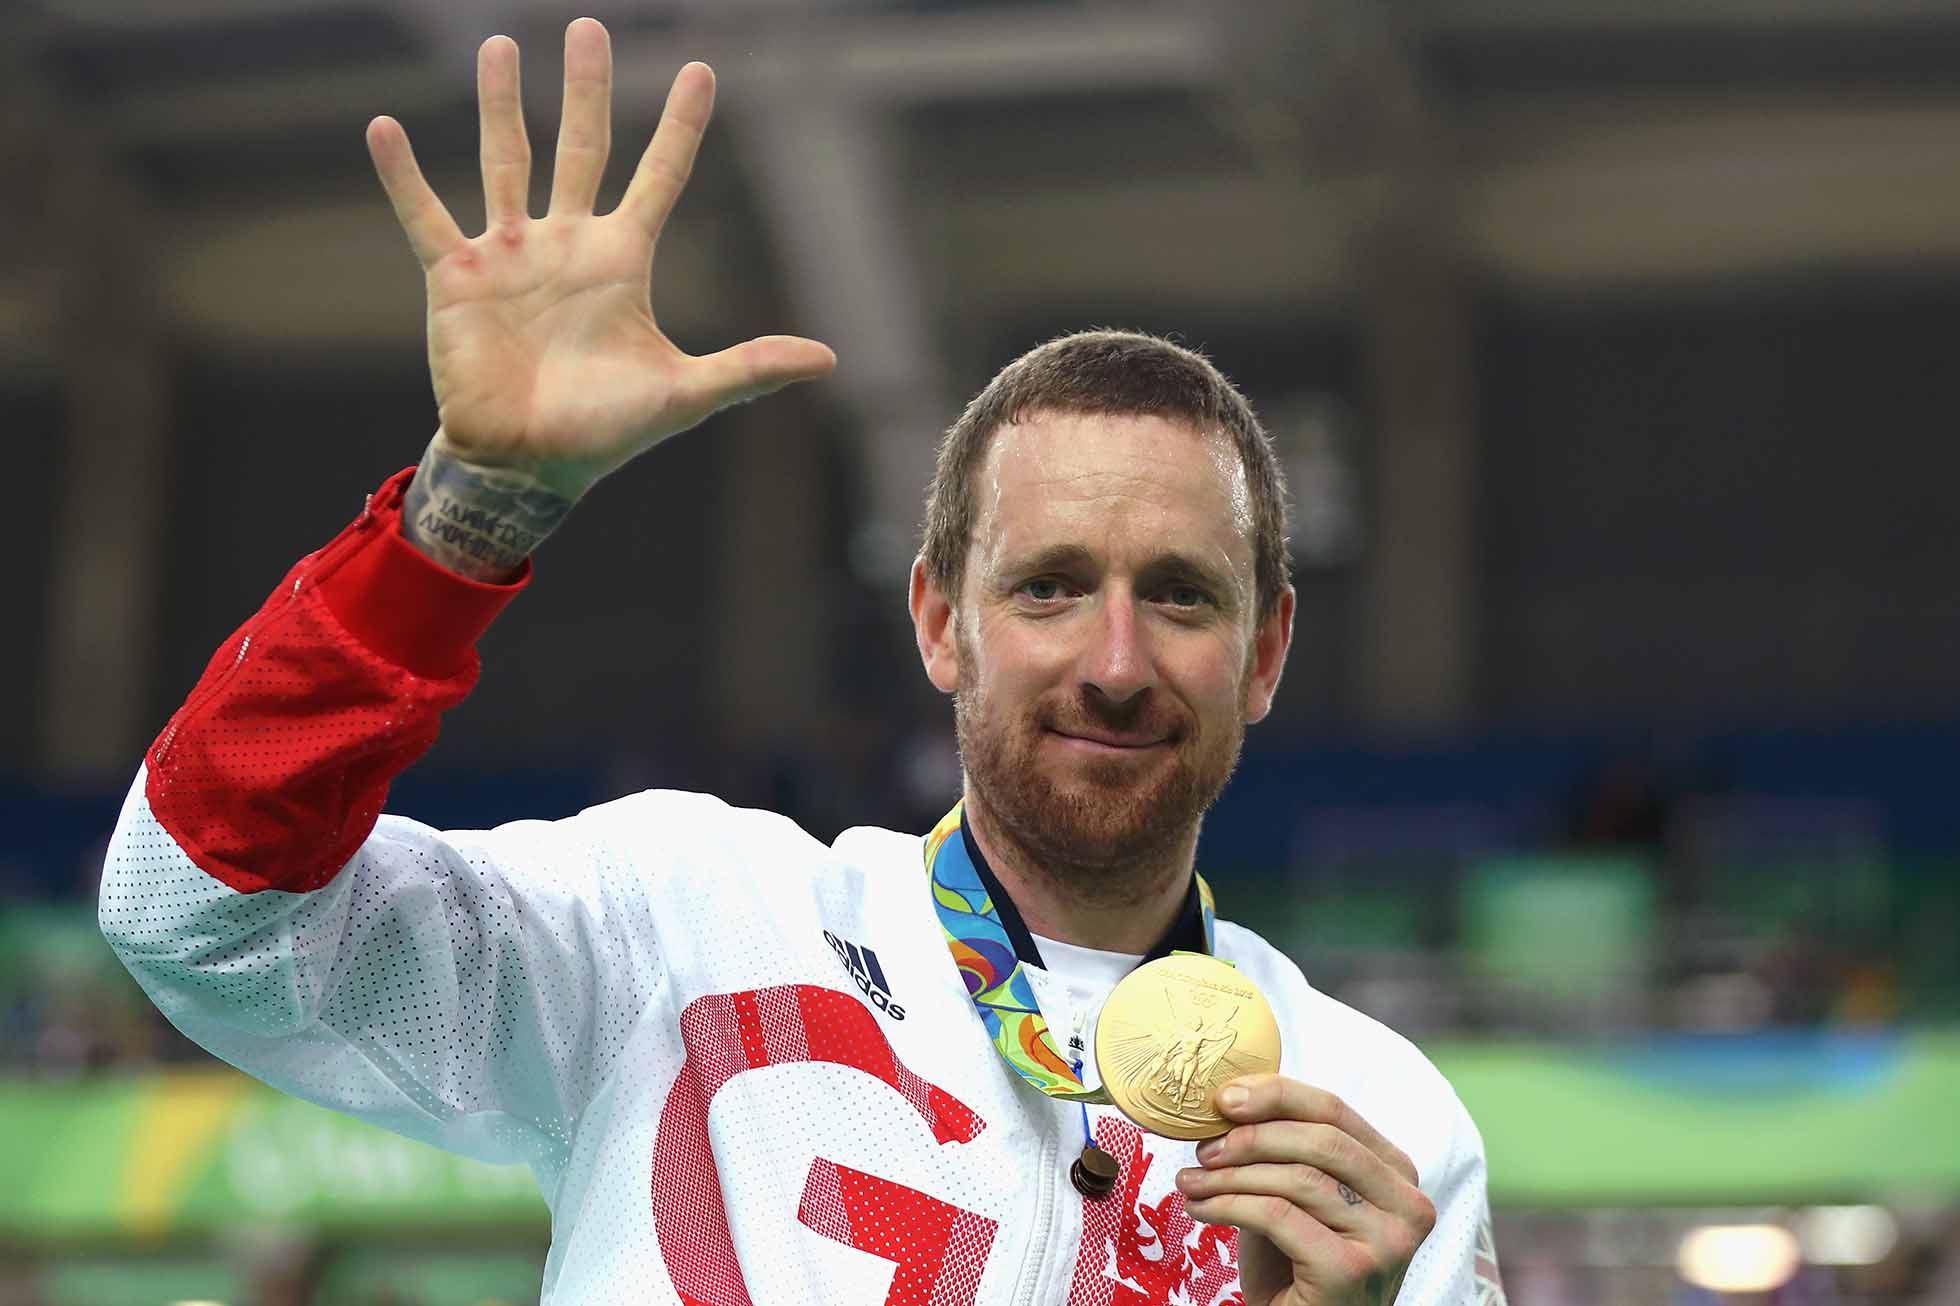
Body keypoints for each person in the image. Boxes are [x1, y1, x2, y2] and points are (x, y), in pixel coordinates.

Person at [99, 18, 1503, 1306]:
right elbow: (196, 914)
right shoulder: (678, 925)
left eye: (1183, 597)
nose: (1117, 660)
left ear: (1266, 654)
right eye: (1051, 586)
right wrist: (459, 526)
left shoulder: (1380, 1130)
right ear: (939, 620)